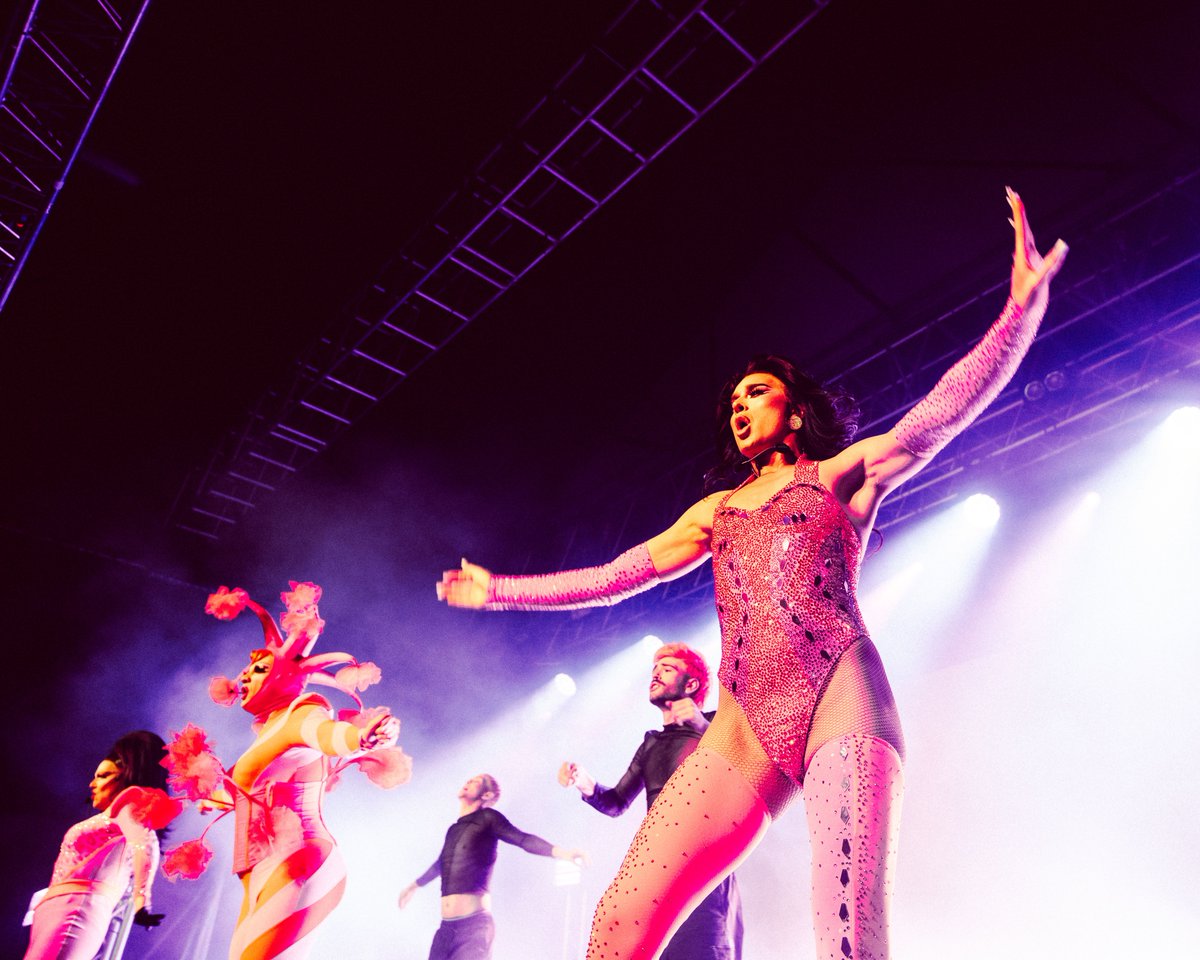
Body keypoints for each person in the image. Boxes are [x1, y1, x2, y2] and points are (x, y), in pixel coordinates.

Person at [437, 190, 1067, 959]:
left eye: (757, 394)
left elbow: (935, 418)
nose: (740, 407)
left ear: (794, 412)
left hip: (841, 693)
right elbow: (610, 578)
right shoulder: (715, 512)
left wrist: (1019, 315)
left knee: (847, 938)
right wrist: (501, 589)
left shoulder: (843, 475)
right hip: (741, 728)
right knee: (617, 922)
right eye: (733, 400)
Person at [161, 581, 411, 960]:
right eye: (246, 669)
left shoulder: (304, 710)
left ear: (285, 676)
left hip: (300, 861)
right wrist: (209, 796)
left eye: (259, 668)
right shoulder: (268, 731)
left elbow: (327, 734)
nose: (244, 676)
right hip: (259, 872)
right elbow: (250, 793)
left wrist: (362, 739)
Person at [558, 642, 744, 960]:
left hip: (705, 876)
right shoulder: (651, 744)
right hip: (659, 878)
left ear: (692, 684)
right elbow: (616, 802)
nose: (656, 673)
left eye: (667, 668)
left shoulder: (716, 725)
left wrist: (701, 725)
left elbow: (741, 762)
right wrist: (583, 782)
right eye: (655, 668)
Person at [23, 730, 182, 960]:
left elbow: (145, 842)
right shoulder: (114, 817)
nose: (92, 784)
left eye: (103, 775)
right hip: (58, 909)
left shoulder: (128, 806)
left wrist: (141, 899)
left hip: (75, 908)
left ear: (127, 776)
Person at [398, 773, 589, 960]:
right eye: (468, 779)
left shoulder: (488, 818)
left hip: (473, 929)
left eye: (475, 782)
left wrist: (563, 853)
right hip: (446, 929)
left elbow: (522, 839)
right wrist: (413, 886)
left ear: (487, 795)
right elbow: (441, 863)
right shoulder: (453, 829)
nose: (467, 782)